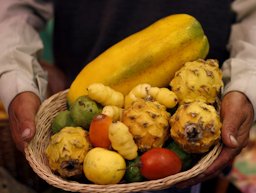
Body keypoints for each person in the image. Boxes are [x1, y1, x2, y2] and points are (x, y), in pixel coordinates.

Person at [0, 0, 255, 193]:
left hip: (201, 118)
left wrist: (245, 84)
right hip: (81, 107)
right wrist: (16, 76)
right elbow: (14, 10)